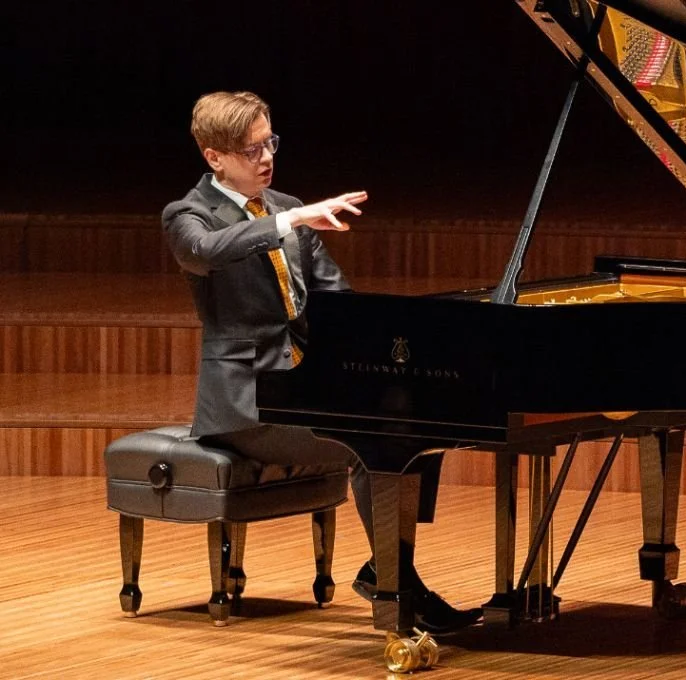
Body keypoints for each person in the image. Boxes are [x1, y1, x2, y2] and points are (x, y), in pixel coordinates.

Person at [162, 90, 480, 633]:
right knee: (365, 448)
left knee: (422, 429)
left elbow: (335, 301)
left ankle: (390, 567)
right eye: (250, 149)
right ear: (214, 156)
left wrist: (396, 343)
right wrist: (293, 221)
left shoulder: (286, 208)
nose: (266, 158)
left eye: (270, 143)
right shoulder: (189, 216)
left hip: (307, 386)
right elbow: (209, 252)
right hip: (247, 406)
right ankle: (397, 592)